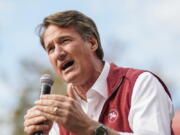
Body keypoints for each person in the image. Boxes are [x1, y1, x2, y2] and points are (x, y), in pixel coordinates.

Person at [24, 10, 174, 135]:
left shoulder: (140, 84)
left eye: (65, 41)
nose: (58, 53)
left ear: (92, 42)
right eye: (50, 49)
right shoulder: (59, 117)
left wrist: (90, 129)